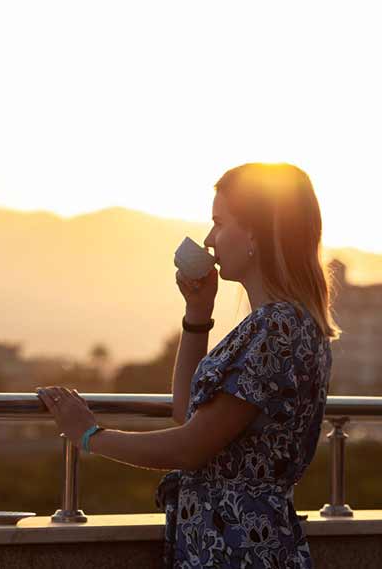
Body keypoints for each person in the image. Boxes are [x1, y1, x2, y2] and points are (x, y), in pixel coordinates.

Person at [38, 162, 341, 568]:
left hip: (238, 550)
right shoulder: (288, 324)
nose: (209, 239)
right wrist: (198, 314)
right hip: (236, 543)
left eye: (219, 222)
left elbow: (189, 448)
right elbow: (190, 418)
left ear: (255, 231)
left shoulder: (277, 329)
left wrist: (89, 434)